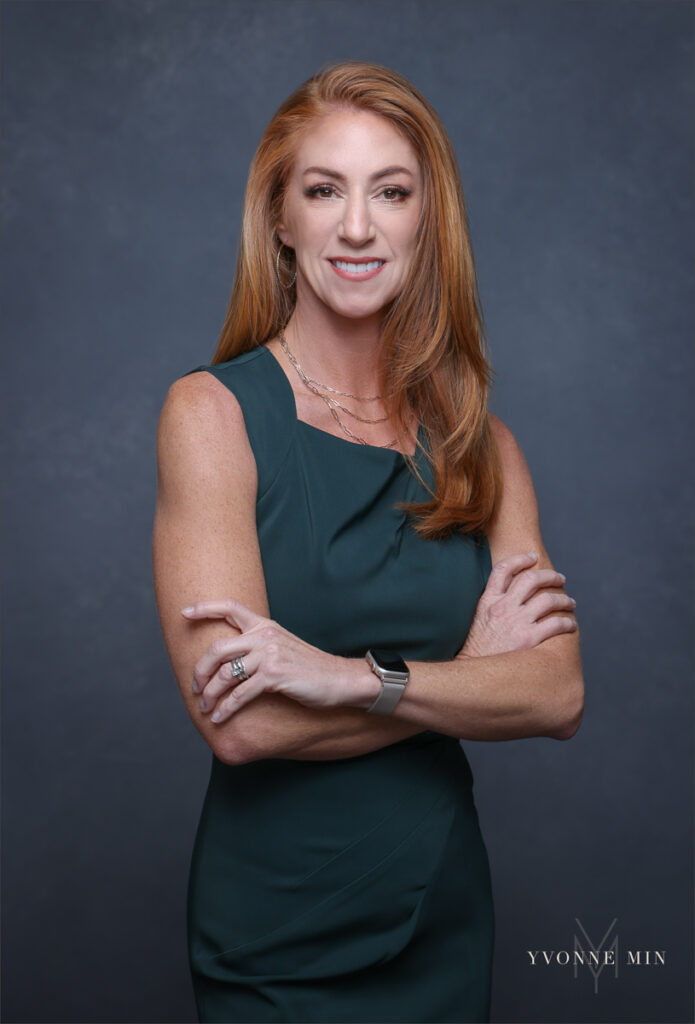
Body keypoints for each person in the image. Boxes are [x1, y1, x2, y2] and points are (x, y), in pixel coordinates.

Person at [153, 61, 584, 1024]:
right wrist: (465, 679)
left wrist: (353, 677)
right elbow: (243, 725)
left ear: (427, 221)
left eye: (391, 192)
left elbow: (556, 694)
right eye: (323, 190)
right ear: (280, 218)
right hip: (277, 937)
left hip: (440, 910)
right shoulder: (212, 415)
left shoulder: (482, 446)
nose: (357, 227)